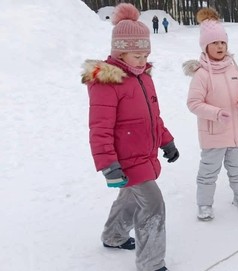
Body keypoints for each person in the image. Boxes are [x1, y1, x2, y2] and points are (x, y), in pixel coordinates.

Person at [82, 4, 176, 271]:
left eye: (146, 54)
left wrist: (166, 140)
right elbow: (99, 128)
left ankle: (114, 236)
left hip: (144, 153)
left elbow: (153, 117)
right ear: (119, 51)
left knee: (131, 196)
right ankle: (151, 264)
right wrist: (107, 164)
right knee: (153, 205)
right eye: (137, 54)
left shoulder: (143, 77)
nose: (143, 60)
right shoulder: (107, 83)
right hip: (125, 158)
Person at [184, 8, 238, 221]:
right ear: (205, 46)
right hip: (214, 134)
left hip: (236, 132)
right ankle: (205, 204)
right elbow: (193, 103)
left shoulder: (233, 67)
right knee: (208, 173)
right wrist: (215, 113)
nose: (220, 46)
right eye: (215, 43)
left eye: (223, 43)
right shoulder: (202, 73)